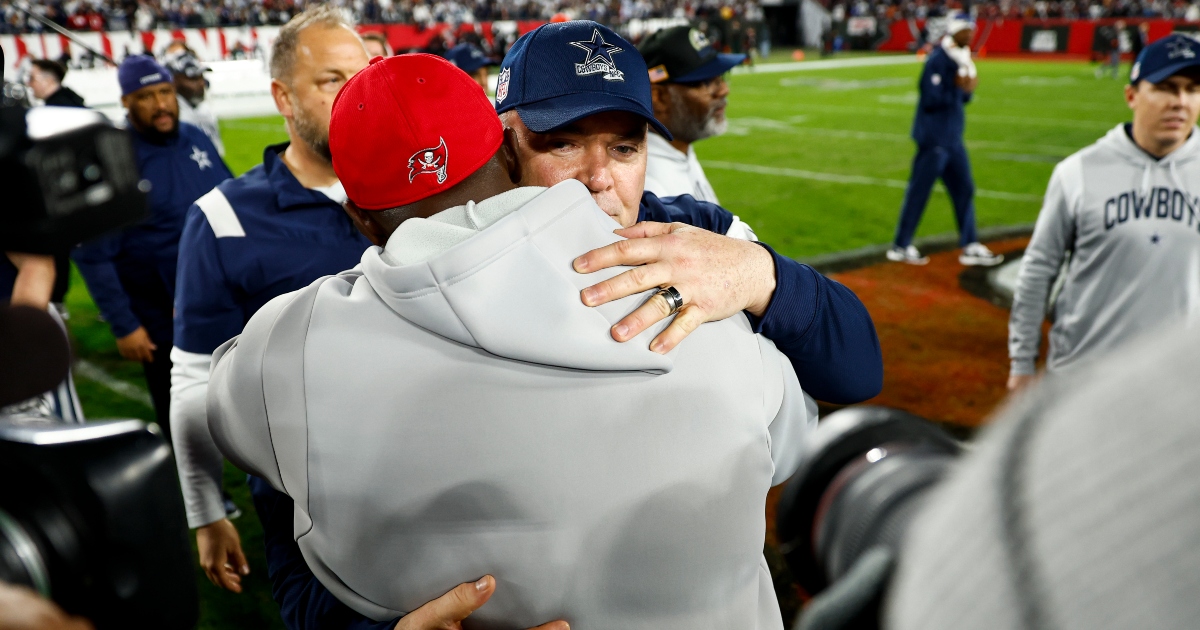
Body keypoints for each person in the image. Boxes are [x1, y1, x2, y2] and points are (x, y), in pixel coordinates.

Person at [203, 20, 881, 629]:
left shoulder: (694, 234)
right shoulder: (376, 296)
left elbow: (857, 368)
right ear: (499, 150)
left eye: (624, 148)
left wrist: (763, 274)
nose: (597, 180)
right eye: (561, 144)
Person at [169, 4, 373, 595]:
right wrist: (205, 510)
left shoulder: (422, 189)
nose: (353, 95)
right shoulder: (223, 218)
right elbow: (195, 380)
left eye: (361, 78)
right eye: (331, 80)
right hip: (308, 511)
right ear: (284, 98)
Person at [1007, 34, 1200, 392]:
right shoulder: (1078, 171)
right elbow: (1038, 269)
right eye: (1166, 88)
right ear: (1132, 96)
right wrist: (1021, 363)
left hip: (1182, 385)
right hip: (1083, 378)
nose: (1181, 102)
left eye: (1192, 89)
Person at [71, 55, 232, 441]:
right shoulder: (113, 158)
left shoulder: (195, 138)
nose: (160, 104)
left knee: (233, 393)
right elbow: (93, 251)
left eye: (165, 92)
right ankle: (204, 489)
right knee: (180, 403)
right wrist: (124, 324)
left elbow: (230, 201)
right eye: (146, 96)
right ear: (126, 102)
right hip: (159, 311)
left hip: (219, 296)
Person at [887, 15, 1002, 267]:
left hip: (952, 139)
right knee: (919, 192)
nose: (971, 35)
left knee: (965, 189)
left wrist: (966, 90)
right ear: (955, 32)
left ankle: (970, 244)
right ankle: (900, 245)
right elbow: (930, 99)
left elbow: (961, 98)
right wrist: (956, 88)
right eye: (966, 31)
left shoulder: (962, 57)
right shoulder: (938, 59)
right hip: (934, 139)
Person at [637, 25, 744, 203]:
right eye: (708, 82)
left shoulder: (678, 149)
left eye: (721, 77)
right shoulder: (649, 189)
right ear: (658, 97)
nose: (724, 89)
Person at [165, 51, 224, 156]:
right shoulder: (169, 118)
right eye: (193, 79)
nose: (201, 83)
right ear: (174, 82)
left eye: (201, 77)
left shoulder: (204, 111)